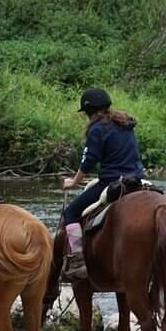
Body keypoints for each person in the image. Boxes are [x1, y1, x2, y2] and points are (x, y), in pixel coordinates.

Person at [60, 87, 144, 235]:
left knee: (70, 213)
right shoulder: (125, 123)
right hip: (137, 179)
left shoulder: (98, 129)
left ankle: (76, 256)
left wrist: (73, 182)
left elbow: (88, 161)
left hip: (112, 181)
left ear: (90, 112)